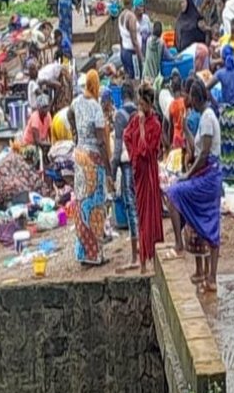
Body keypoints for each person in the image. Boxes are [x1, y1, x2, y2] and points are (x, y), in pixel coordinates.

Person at [165, 80, 224, 294]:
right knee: (210, 223)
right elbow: (196, 147)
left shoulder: (208, 118)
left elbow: (205, 154)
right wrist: (186, 129)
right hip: (207, 175)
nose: (188, 100)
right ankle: (210, 278)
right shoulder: (204, 118)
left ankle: (180, 245)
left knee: (173, 194)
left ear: (197, 98)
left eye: (190, 96)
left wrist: (187, 176)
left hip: (208, 177)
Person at [122, 82, 164, 276]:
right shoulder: (134, 120)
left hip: (149, 173)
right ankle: (143, 262)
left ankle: (151, 260)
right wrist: (133, 156)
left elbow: (148, 150)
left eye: (143, 104)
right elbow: (127, 136)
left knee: (151, 216)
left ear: (149, 104)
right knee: (141, 214)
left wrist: (141, 127)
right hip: (139, 172)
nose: (140, 108)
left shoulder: (155, 124)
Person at [69, 69, 109, 266]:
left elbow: (69, 114)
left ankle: (83, 252)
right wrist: (108, 168)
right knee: (95, 206)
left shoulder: (76, 102)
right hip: (93, 160)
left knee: (81, 205)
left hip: (79, 156)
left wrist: (76, 135)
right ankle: (96, 255)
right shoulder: (95, 106)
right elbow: (102, 141)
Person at [111, 78, 141, 270]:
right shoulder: (139, 113)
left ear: (122, 96)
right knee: (141, 204)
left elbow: (118, 148)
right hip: (141, 162)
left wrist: (112, 172)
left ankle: (135, 256)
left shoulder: (120, 116)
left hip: (127, 164)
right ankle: (144, 253)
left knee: (131, 208)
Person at [208, 44, 234, 185]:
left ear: (223, 58)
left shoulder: (220, 74)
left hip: (224, 114)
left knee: (225, 148)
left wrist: (216, 103)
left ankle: (225, 179)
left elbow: (206, 88)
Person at [117, 0, 143, 79]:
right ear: (131, 1)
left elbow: (120, 37)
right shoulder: (131, 17)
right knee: (136, 79)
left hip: (124, 52)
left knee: (128, 78)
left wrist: (121, 51)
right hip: (132, 54)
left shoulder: (121, 16)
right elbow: (134, 40)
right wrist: (141, 57)